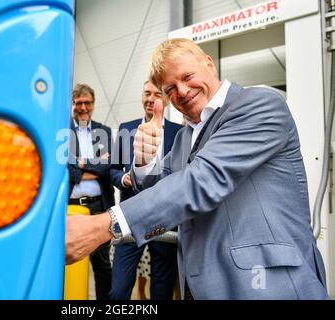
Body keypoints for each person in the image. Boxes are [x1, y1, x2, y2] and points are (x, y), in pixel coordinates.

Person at [65, 39, 330, 300]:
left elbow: (201, 181)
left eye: (187, 76)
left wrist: (104, 225)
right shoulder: (184, 137)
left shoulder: (259, 105)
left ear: (209, 64)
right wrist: (144, 162)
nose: (181, 91)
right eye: (170, 89)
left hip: (270, 286)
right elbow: (163, 190)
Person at [109, 80, 181, 300]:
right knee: (119, 289)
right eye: (147, 93)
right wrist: (123, 178)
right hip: (130, 218)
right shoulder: (126, 128)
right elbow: (113, 169)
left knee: (162, 288)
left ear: (167, 99)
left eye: (157, 95)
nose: (150, 99)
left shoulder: (180, 133)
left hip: (165, 219)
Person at [68, 83, 114, 300]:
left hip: (98, 206)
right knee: (68, 262)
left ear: (93, 104)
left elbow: (106, 167)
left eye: (87, 103)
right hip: (70, 208)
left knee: (103, 265)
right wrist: (93, 166)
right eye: (79, 103)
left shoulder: (103, 132)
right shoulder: (62, 132)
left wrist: (80, 163)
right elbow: (65, 169)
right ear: (72, 104)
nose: (83, 107)